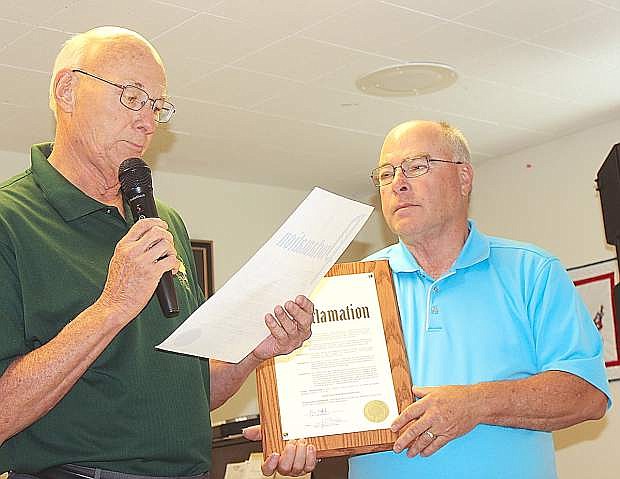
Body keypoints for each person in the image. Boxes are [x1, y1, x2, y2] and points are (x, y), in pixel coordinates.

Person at [0, 27, 316, 478]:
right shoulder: (9, 220)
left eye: (157, 106)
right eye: (132, 96)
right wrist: (113, 306)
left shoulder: (163, 221)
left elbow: (188, 395)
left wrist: (253, 353)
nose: (148, 121)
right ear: (67, 90)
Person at [346, 120, 610, 478]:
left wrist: (476, 403)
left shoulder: (532, 271)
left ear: (464, 179)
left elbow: (587, 395)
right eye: (387, 173)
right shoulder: (352, 286)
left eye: (416, 166)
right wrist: (300, 441)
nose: (398, 183)